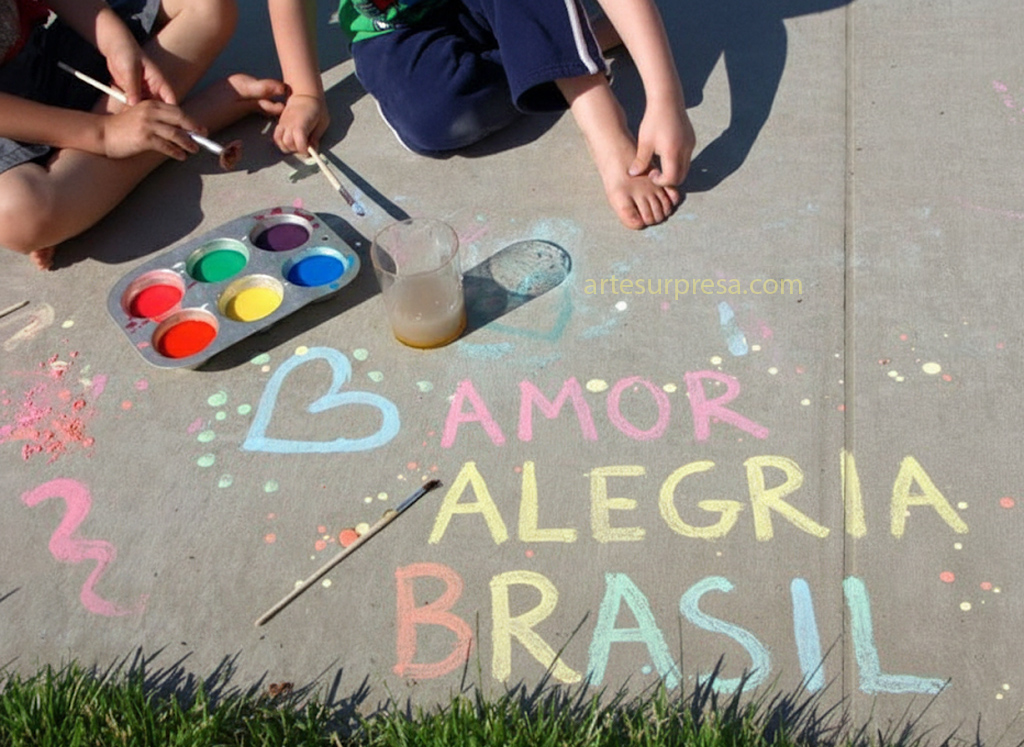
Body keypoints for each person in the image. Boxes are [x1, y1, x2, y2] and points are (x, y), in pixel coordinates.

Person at [267, 0, 696, 230]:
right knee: (439, 117)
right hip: (400, 26)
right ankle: (571, 43)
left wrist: (665, 99)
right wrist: (304, 92)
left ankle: (601, 125)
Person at [0, 0, 287, 270]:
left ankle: (84, 185)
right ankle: (197, 116)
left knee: (208, 7)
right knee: (19, 215)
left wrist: (114, 41)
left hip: (44, 57)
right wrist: (104, 134)